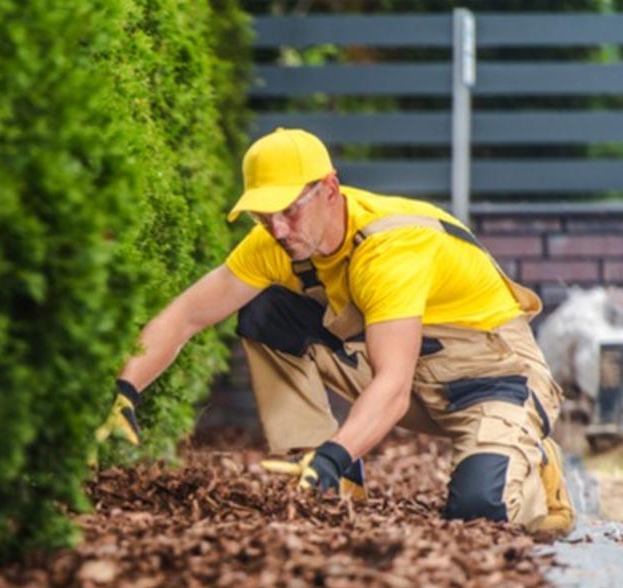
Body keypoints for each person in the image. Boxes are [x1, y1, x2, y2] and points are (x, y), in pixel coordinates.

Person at [95, 128, 574, 532]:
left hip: (494, 382)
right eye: (263, 215)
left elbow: (392, 388)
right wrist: (124, 391)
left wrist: (336, 453)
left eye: (289, 210)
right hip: (411, 376)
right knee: (267, 313)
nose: (278, 229)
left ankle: (535, 465)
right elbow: (186, 316)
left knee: (478, 514)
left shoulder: (390, 249)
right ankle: (321, 471)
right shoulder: (276, 243)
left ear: (328, 188)